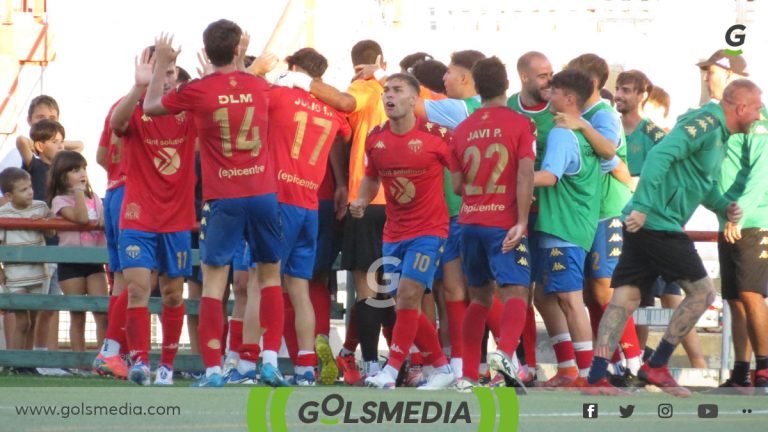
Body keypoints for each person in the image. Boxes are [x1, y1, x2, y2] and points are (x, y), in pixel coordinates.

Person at [584, 79, 762, 397]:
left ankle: (596, 376)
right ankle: (657, 364)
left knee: (624, 298)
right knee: (702, 294)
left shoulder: (720, 133)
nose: (760, 114)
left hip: (648, 221)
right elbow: (659, 156)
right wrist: (641, 205)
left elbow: (701, 182)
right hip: (657, 222)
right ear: (741, 107)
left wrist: (723, 205)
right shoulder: (706, 123)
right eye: (758, 107)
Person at [143, 23, 283, 388]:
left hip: (224, 197)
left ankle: (214, 371)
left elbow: (152, 105)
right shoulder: (261, 85)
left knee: (213, 283)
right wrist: (243, 64)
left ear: (205, 50)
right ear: (239, 48)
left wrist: (162, 64)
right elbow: (244, 86)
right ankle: (269, 362)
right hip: (264, 193)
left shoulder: (198, 90)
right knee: (269, 277)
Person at [231, 47, 350, 386]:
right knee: (298, 288)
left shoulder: (278, 95)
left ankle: (248, 361)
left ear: (293, 68)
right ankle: (305, 367)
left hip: (277, 200)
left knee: (258, 282)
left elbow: (241, 97)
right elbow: (345, 124)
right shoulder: (330, 111)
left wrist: (251, 68)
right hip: (308, 205)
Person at [282, 39, 390, 384]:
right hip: (364, 200)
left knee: (283, 280)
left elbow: (342, 115)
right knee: (375, 284)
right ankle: (352, 353)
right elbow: (339, 136)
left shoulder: (358, 89)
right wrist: (342, 182)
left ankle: (305, 358)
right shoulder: (386, 90)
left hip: (308, 197)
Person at [352, 73, 454, 390]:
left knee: (409, 295)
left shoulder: (437, 136)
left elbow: (462, 171)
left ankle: (392, 369)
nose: (389, 96)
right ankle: (442, 367)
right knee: (402, 302)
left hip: (430, 230)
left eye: (397, 90)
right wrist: (361, 200)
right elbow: (372, 177)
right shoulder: (376, 138)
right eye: (386, 91)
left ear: (413, 99)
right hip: (393, 232)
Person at [108, 45, 196, 386]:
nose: (165, 76)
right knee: (137, 289)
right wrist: (139, 86)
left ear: (177, 76)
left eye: (170, 70)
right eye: (158, 69)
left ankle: (167, 367)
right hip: (137, 216)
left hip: (175, 219)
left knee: (173, 293)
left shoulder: (188, 110)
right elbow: (116, 123)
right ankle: (140, 362)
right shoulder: (133, 108)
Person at [450, 57, 536, 392]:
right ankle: (503, 353)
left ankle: (468, 374)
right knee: (516, 290)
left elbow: (457, 186)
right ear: (506, 86)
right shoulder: (520, 124)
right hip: (503, 221)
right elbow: (526, 172)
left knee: (479, 298)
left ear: (476, 87)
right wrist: (522, 220)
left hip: (469, 220)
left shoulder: (462, 129)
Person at [557, 54, 641, 386]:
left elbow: (609, 152)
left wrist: (580, 126)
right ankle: (607, 360)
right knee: (592, 293)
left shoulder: (602, 115)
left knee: (607, 291)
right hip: (588, 212)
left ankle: (633, 358)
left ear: (591, 83)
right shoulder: (582, 114)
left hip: (608, 210)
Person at [616, 70, 707, 371]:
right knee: (636, 298)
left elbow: (669, 173)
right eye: (618, 88)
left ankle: (698, 365)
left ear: (643, 95)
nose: (620, 95)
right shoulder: (611, 130)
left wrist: (634, 184)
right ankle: (636, 360)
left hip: (656, 224)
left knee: (672, 297)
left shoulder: (655, 134)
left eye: (627, 90)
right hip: (625, 224)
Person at [532, 69, 602, 387]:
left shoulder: (562, 132)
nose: (549, 95)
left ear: (569, 98)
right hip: (570, 224)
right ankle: (568, 368)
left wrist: (504, 180)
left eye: (554, 91)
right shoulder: (585, 133)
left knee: (571, 300)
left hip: (563, 225)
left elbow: (548, 177)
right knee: (545, 296)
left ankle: (586, 373)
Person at [507, 51, 554, 385]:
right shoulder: (509, 106)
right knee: (517, 289)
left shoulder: (560, 109)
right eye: (542, 75)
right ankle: (527, 362)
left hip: (553, 213)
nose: (549, 81)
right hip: (516, 213)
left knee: (552, 292)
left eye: (551, 73)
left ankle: (581, 364)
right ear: (523, 77)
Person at [716, 100, 768, 391]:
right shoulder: (719, 118)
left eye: (712, 71)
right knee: (735, 298)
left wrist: (741, 212)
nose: (707, 77)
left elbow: (761, 174)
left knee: (751, 293)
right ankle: (740, 372)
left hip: (755, 218)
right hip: (727, 220)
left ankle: (764, 368)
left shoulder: (759, 120)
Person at [47, 151, 108, 353]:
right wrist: (79, 193)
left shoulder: (95, 198)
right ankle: (79, 361)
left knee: (101, 312)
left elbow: (102, 219)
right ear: (62, 175)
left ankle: (104, 359)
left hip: (95, 260)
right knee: (78, 313)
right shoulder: (60, 201)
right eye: (75, 170)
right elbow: (81, 218)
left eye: (83, 168)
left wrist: (105, 216)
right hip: (71, 262)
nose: (82, 173)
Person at [92, 100, 130, 380]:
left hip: (114, 192)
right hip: (133, 195)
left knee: (120, 280)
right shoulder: (151, 106)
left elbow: (101, 156)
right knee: (139, 278)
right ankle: (111, 351)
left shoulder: (119, 105)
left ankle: (118, 352)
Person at [0, 168, 50, 353]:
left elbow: (52, 232)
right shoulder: (3, 214)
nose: (30, 191)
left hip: (38, 273)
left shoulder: (40, 207)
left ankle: (27, 362)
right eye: (23, 189)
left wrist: (45, 222)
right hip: (15, 277)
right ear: (9, 195)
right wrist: (1, 272)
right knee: (22, 320)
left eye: (30, 187)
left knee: (34, 319)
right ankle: (15, 361)